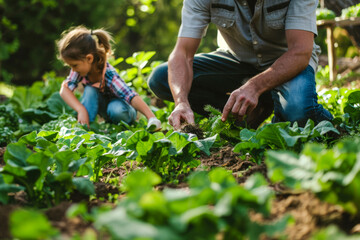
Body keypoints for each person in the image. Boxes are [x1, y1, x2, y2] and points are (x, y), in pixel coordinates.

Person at [148, 0, 333, 130]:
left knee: (298, 112)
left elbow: (300, 52)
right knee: (161, 78)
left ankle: (324, 124)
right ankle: (245, 115)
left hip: (287, 62)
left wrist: (254, 86)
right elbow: (182, 53)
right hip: (236, 60)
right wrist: (181, 102)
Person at [57, 26, 161, 130]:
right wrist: (81, 109)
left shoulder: (108, 74)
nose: (73, 70)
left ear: (89, 58)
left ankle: (124, 126)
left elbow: (130, 95)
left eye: (74, 65)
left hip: (121, 108)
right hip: (104, 108)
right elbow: (64, 90)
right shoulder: (80, 69)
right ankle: (86, 129)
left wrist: (151, 118)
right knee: (90, 90)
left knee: (116, 110)